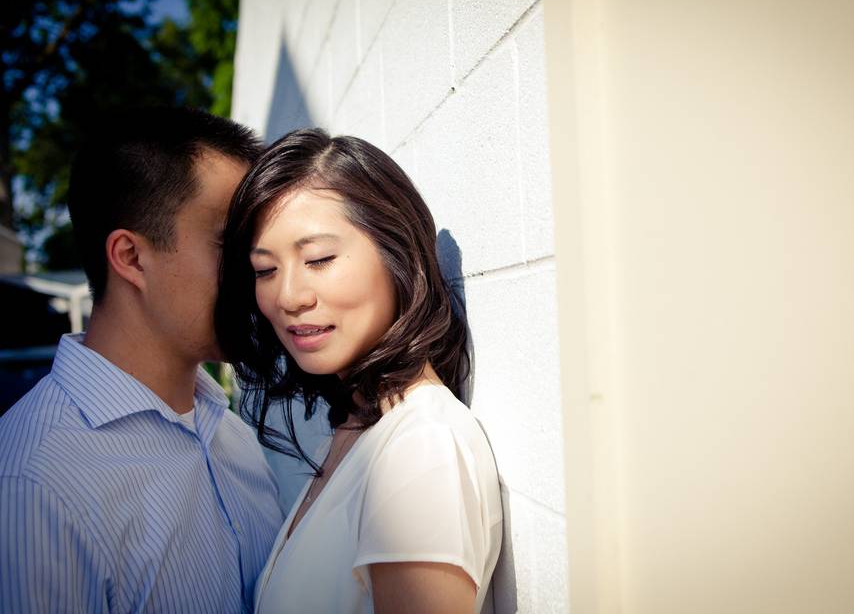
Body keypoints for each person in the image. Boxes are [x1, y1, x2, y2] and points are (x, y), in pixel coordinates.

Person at [0, 107, 284, 613]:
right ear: (131, 258)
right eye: (229, 243)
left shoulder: (233, 434)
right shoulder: (32, 483)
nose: (259, 268)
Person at [216, 128, 503, 613]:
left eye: (318, 259)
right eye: (266, 270)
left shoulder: (420, 446)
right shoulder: (359, 429)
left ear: (398, 254)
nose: (289, 296)